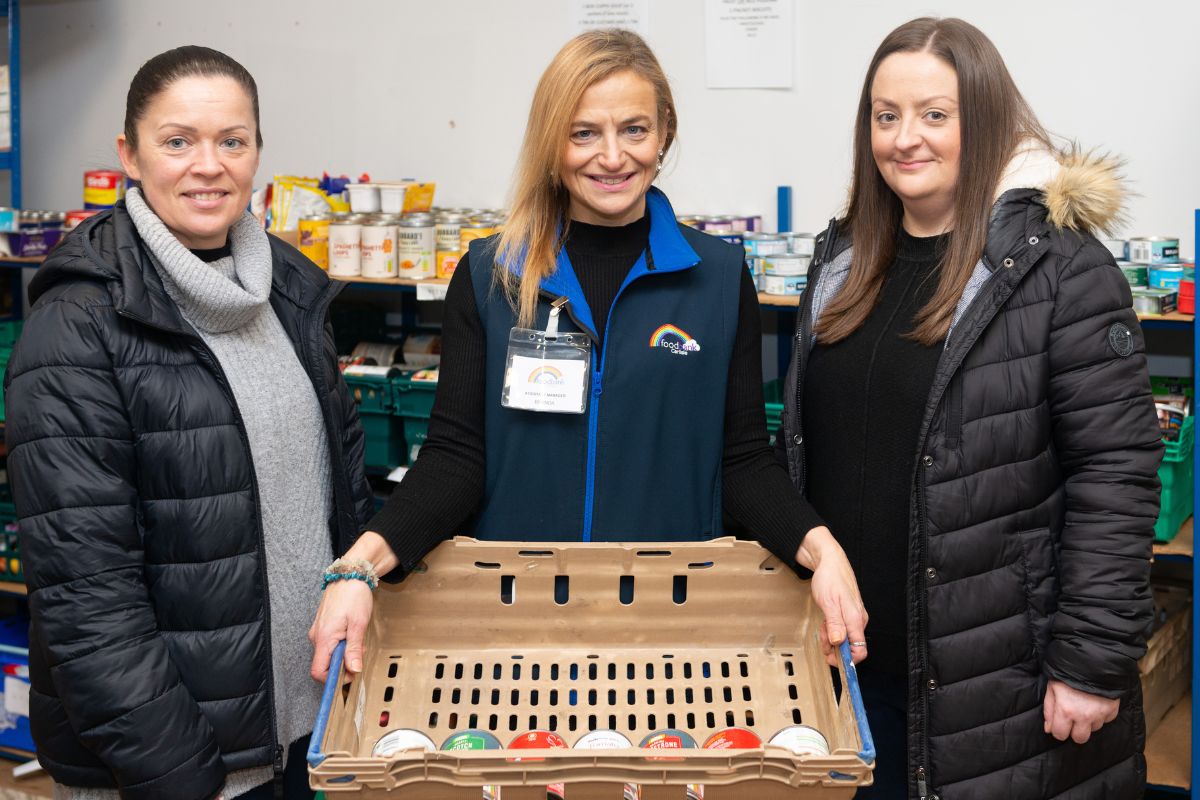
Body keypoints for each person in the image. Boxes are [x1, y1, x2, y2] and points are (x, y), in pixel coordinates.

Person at [309, 29, 867, 688]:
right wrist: (361, 565)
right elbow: (456, 456)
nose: (611, 156)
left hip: (671, 628)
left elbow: (742, 459)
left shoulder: (716, 276)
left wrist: (821, 546)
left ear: (665, 133)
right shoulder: (493, 274)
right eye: (583, 134)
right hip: (517, 624)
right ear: (552, 144)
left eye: (633, 129)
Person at [777, 17, 1162, 799]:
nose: (904, 138)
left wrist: (1092, 661)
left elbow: (1115, 476)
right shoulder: (842, 264)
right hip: (850, 669)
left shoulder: (1060, 271)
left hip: (1000, 688)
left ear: (981, 121)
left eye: (933, 115)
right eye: (886, 116)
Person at [3, 46, 373, 800]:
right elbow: (86, 599)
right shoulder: (78, 324)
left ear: (257, 154)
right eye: (178, 141)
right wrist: (181, 779)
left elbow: (337, 501)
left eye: (231, 141)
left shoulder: (290, 293)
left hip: (309, 733)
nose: (209, 165)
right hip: (177, 768)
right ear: (129, 155)